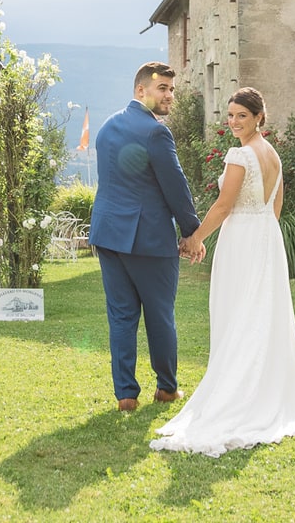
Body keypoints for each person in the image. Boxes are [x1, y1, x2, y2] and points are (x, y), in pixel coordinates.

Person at [151, 86, 295, 456]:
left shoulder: (241, 155)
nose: (234, 122)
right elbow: (275, 208)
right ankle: (260, 389)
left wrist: (194, 237)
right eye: (230, 116)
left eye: (242, 115)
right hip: (266, 240)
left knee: (239, 314)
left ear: (259, 117)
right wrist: (260, 237)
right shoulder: (272, 154)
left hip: (243, 238)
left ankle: (239, 395)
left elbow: (223, 207)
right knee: (258, 314)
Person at [89, 62, 207, 412]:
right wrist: (192, 233)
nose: (169, 95)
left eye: (172, 89)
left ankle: (126, 395)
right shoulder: (156, 132)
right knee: (159, 315)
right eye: (163, 89)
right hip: (149, 240)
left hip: (108, 236)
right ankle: (167, 389)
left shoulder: (108, 126)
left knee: (122, 317)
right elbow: (176, 186)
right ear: (141, 90)